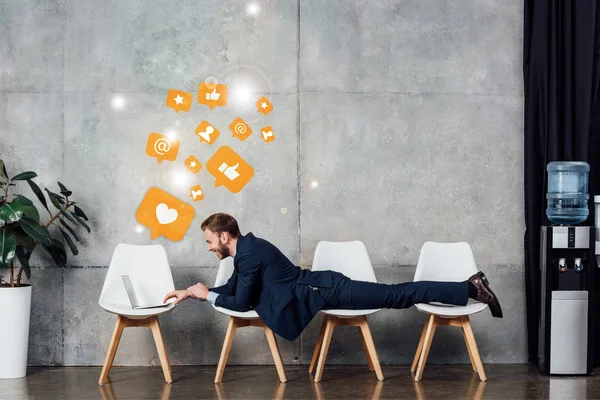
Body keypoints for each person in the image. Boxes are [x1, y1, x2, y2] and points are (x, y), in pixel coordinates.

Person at [164, 213, 502, 341]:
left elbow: (238, 301)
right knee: (396, 295)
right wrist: (192, 292)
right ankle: (467, 287)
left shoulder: (249, 254)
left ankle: (468, 287)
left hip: (326, 288)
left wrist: (206, 294)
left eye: (209, 240)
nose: (208, 247)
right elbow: (235, 289)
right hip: (321, 286)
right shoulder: (247, 252)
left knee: (396, 295)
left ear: (224, 236)